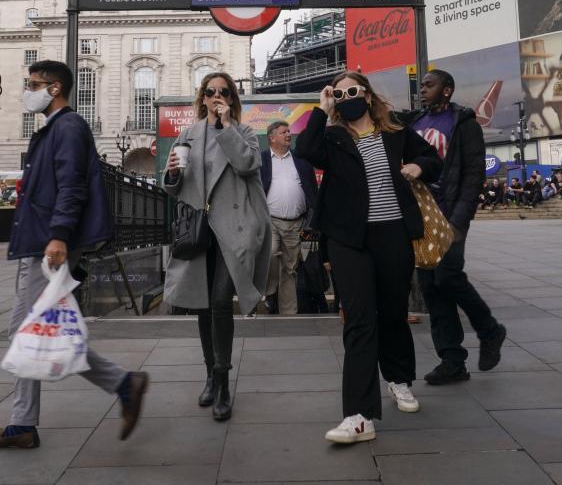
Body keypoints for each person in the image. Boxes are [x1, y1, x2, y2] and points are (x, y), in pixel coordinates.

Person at [0, 60, 148, 449]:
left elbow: (72, 186)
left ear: (54, 88)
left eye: (33, 84)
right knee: (37, 331)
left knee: (27, 331)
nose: (27, 90)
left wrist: (58, 236)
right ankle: (118, 385)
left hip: (49, 243)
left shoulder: (67, 127)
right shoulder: (55, 129)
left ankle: (26, 423)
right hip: (40, 240)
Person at [296, 71, 441, 444]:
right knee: (359, 320)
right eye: (339, 93)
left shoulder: (395, 133)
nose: (346, 97)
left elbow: (432, 157)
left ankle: (398, 380)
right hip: (348, 239)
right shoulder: (333, 137)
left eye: (351, 90)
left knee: (392, 314)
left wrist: (418, 166)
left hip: (392, 234)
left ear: (366, 93)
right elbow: (305, 151)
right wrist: (322, 108)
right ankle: (359, 416)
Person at [164, 72, 271, 422]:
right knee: (203, 303)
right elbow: (174, 187)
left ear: (232, 99)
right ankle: (210, 373)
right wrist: (170, 175)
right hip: (199, 229)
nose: (216, 97)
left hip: (234, 229)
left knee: (222, 299)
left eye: (223, 92)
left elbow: (247, 165)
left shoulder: (243, 133)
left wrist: (226, 126)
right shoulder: (188, 134)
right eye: (210, 92)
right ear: (202, 98)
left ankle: (223, 382)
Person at [407, 70, 506, 386]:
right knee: (431, 288)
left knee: (448, 276)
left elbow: (473, 175)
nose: (423, 89)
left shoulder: (464, 123)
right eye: (422, 84)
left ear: (446, 90)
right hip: (421, 216)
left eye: (429, 85)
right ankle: (452, 360)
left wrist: (459, 221)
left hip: (449, 215)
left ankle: (490, 330)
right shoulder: (415, 122)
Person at [260, 120, 318, 315]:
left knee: (289, 269)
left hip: (296, 224)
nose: (288, 135)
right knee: (270, 255)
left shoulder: (301, 160)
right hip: (270, 221)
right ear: (272, 138)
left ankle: (288, 314)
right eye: (284, 132)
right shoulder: (261, 160)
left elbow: (311, 189)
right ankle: (269, 291)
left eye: (289, 131)